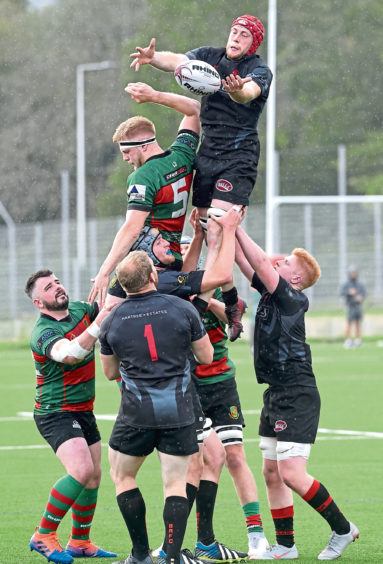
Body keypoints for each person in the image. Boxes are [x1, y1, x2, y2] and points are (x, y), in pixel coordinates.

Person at [129, 15, 272, 341]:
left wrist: (236, 90)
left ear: (254, 43)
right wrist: (154, 60)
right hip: (207, 157)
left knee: (222, 224)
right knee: (211, 234)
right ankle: (247, 294)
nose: (236, 38)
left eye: (244, 35)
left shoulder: (259, 70)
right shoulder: (211, 56)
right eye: (234, 31)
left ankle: (235, 301)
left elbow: (248, 93)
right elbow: (179, 62)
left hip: (238, 158)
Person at [235, 227, 359, 560]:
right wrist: (214, 225)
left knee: (291, 473)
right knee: (271, 472)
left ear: (296, 279)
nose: (280, 260)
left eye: (287, 261)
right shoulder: (273, 291)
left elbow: (260, 261)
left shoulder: (292, 298)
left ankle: (343, 528)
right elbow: (244, 260)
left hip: (297, 392)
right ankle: (286, 545)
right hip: (276, 393)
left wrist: (234, 225)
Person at [98, 250, 214, 564]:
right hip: (177, 411)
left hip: (136, 413)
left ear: (122, 286)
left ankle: (139, 555)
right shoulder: (182, 308)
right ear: (153, 276)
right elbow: (206, 357)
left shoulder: (112, 320)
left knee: (123, 477)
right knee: (175, 483)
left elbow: (109, 373)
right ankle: (173, 556)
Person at [179, 238, 269, 560]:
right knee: (198, 462)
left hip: (220, 383)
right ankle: (182, 541)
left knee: (234, 457)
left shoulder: (215, 288)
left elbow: (234, 315)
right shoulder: (169, 292)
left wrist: (202, 299)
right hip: (189, 387)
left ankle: (256, 534)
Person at [25, 270, 116, 564]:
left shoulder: (79, 309)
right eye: (49, 288)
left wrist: (110, 282)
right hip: (55, 412)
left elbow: (110, 307)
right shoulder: (43, 333)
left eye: (58, 282)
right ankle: (43, 534)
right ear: (39, 302)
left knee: (93, 477)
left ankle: (79, 541)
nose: (58, 288)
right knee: (80, 470)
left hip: (83, 409)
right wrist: (100, 321)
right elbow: (70, 354)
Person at [89, 82, 201, 306]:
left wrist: (104, 271)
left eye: (127, 151)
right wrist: (154, 95)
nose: (125, 158)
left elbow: (132, 229)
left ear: (144, 146)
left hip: (145, 268)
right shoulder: (182, 155)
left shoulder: (142, 176)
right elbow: (194, 109)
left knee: (105, 319)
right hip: (173, 259)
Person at [341, 266, 366, 348]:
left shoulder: (359, 284)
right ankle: (348, 340)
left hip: (358, 306)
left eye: (354, 273)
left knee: (357, 323)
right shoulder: (347, 284)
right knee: (349, 323)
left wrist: (361, 297)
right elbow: (342, 293)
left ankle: (357, 340)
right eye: (352, 273)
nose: (353, 274)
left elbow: (363, 294)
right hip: (350, 306)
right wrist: (349, 292)